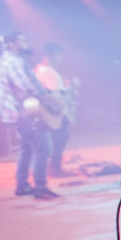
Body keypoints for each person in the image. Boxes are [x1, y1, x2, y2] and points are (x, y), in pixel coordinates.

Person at [0, 32, 60, 200]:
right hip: (24, 113)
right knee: (43, 148)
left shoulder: (4, 61)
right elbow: (27, 85)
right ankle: (40, 188)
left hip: (15, 112)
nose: (25, 43)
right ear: (12, 43)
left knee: (26, 148)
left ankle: (22, 186)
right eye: (22, 40)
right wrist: (47, 97)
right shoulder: (15, 62)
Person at [34, 43, 78, 177]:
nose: (60, 60)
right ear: (52, 56)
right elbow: (56, 97)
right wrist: (72, 88)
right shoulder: (51, 74)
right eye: (59, 56)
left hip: (42, 113)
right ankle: (55, 168)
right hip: (55, 114)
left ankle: (51, 167)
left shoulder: (37, 70)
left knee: (50, 141)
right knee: (60, 138)